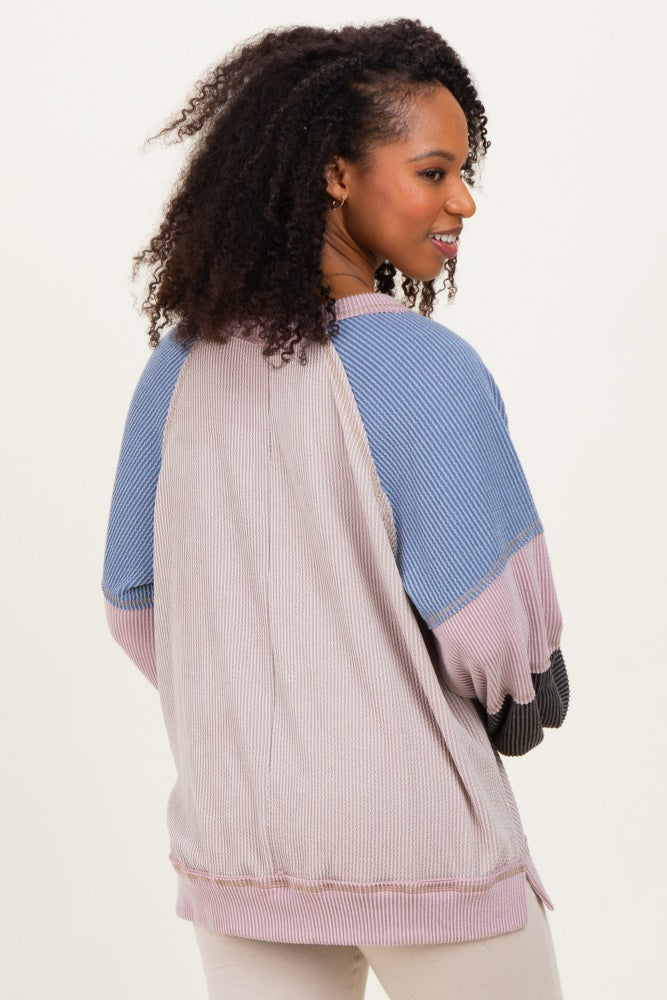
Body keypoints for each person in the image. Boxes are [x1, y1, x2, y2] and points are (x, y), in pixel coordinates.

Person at [102, 18, 569, 1000]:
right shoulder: (425, 369)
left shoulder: (176, 369)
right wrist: (519, 681)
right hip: (422, 849)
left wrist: (262, 704)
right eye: (434, 172)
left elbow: (134, 603)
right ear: (335, 175)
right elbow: (492, 632)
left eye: (463, 172)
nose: (462, 200)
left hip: (240, 851)